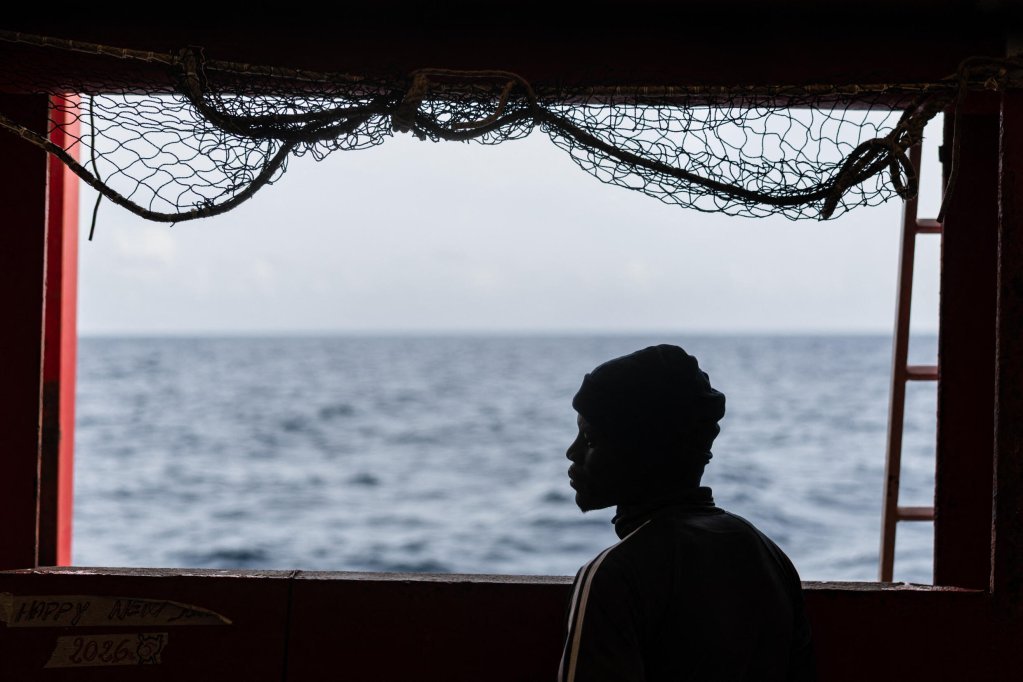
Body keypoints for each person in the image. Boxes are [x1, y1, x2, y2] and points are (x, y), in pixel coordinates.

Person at [559, 344, 815, 682]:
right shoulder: (768, 555)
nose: (571, 452)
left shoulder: (614, 577)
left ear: (642, 451)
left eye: (590, 439)